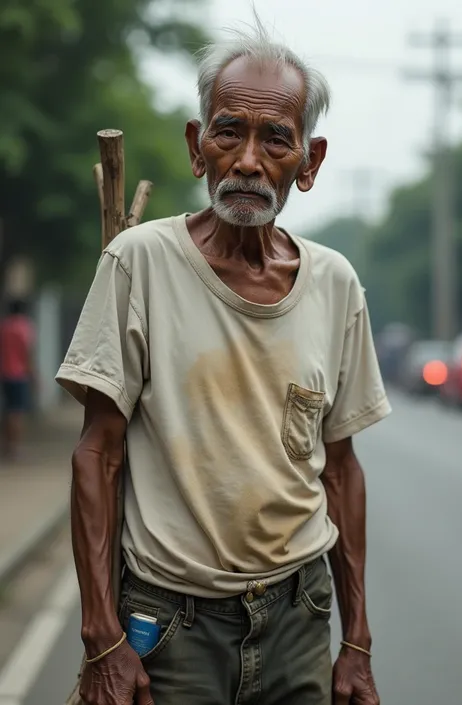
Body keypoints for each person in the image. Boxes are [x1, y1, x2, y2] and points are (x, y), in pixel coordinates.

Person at [56, 19, 391, 705]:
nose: (247, 160)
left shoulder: (334, 284)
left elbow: (342, 468)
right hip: (170, 622)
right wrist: (102, 637)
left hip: (301, 614)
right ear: (196, 144)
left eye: (275, 138)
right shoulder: (139, 262)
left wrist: (355, 640)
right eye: (228, 131)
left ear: (310, 159)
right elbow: (98, 454)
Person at [0, 299, 35, 460]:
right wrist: (33, 374)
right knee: (17, 412)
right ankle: (16, 447)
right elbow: (27, 352)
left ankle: (7, 446)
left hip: (5, 373)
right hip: (19, 374)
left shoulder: (4, 326)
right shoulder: (24, 326)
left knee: (8, 410)